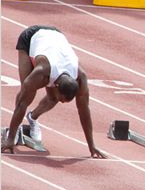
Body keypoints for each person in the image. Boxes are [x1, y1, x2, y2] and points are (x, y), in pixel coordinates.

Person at [1, 25, 105, 158]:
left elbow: (84, 110)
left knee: (53, 99)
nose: (62, 102)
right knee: (25, 92)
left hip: (56, 36)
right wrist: (10, 140)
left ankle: (32, 117)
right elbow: (22, 104)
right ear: (56, 85)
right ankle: (14, 131)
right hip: (31, 38)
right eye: (62, 99)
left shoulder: (81, 77)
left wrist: (92, 146)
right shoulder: (41, 73)